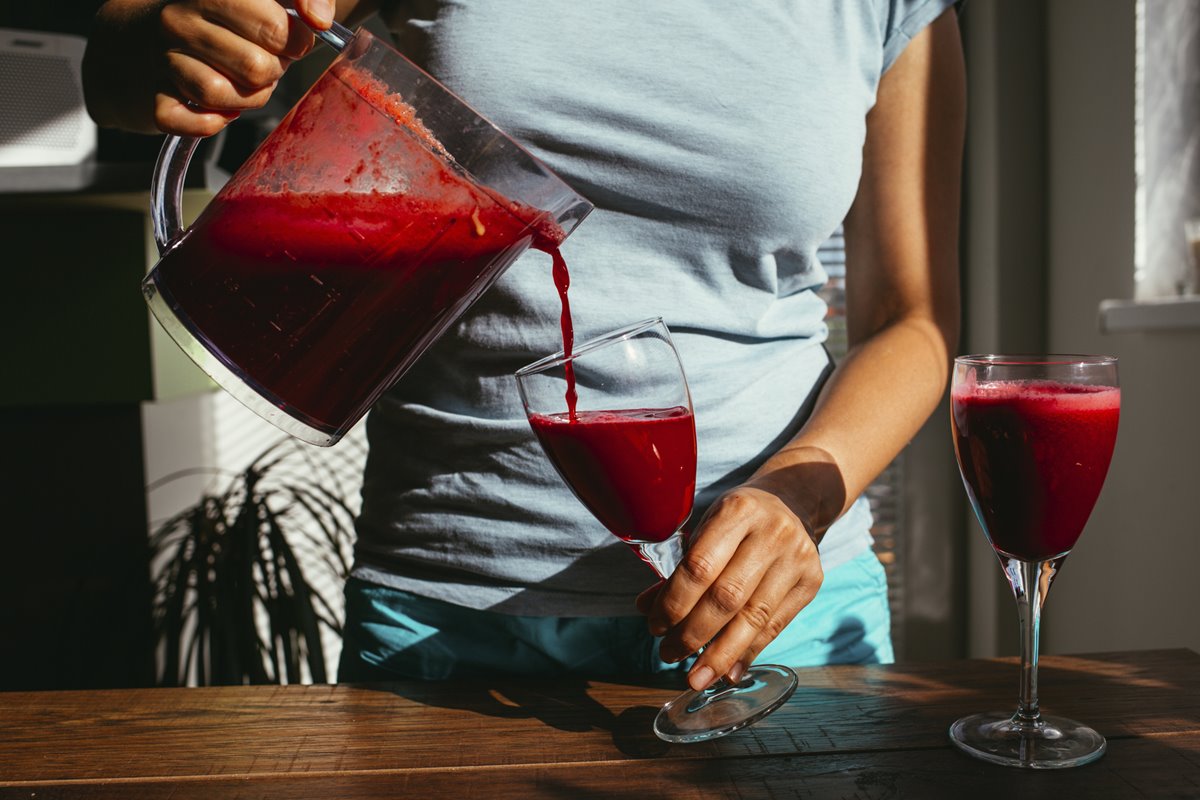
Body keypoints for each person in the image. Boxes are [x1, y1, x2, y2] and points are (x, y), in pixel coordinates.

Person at [84, 0, 965, 692]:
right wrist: (143, 43)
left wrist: (802, 490)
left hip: (775, 607)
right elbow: (189, 46)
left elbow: (913, 319)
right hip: (449, 609)